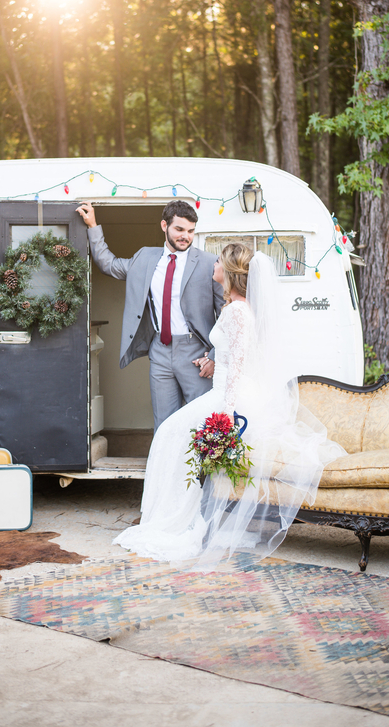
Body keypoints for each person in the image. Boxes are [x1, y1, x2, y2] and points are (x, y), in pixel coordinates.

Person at [113, 243, 346, 568]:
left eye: (218, 262)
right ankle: (172, 516)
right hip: (222, 390)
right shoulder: (237, 306)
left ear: (231, 272)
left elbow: (237, 365)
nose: (213, 266)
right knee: (170, 433)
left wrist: (226, 414)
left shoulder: (237, 311)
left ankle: (177, 520)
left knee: (169, 433)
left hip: (229, 396)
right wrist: (211, 361)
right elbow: (231, 355)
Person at [76, 200, 224, 431]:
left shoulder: (209, 263)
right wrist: (93, 225)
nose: (186, 236)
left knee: (203, 423)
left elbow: (226, 311)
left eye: (191, 231)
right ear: (164, 225)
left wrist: (215, 355)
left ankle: (201, 469)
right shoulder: (145, 258)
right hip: (160, 351)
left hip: (197, 354)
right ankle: (164, 468)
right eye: (179, 229)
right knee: (164, 425)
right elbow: (109, 265)